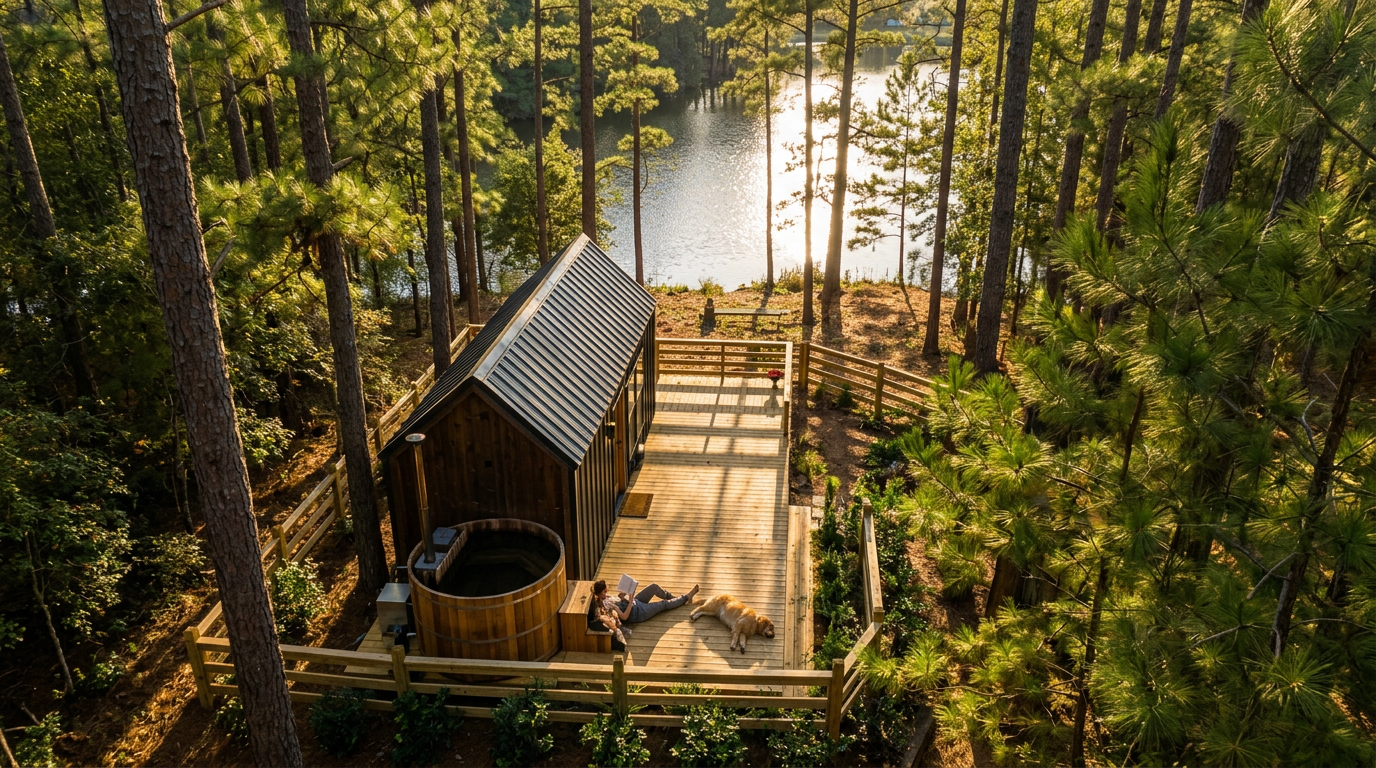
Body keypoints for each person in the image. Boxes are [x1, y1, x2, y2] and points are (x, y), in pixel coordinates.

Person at [593, 579, 699, 624]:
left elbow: (621, 603)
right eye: (604, 592)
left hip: (636, 602)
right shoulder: (607, 607)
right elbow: (624, 617)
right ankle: (686, 597)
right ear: (598, 593)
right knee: (664, 604)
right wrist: (630, 603)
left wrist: (622, 596)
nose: (606, 594)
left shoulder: (606, 598)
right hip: (639, 613)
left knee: (654, 587)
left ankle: (676, 599)